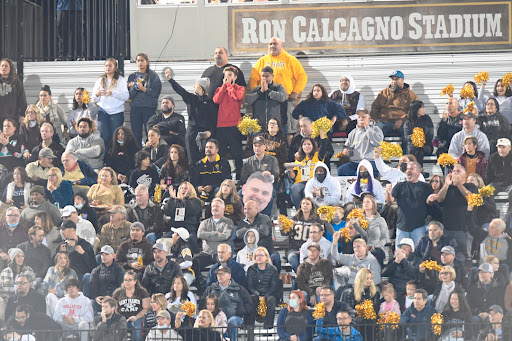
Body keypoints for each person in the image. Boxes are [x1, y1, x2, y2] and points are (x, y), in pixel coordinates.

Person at [249, 37, 308, 142]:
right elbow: (253, 78)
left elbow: (302, 76)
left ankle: (287, 153)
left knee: (288, 130)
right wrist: (257, 91)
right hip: (266, 101)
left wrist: (296, 91)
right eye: (270, 44)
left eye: (275, 44)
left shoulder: (290, 59)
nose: (272, 46)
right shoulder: (262, 61)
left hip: (286, 99)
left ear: (281, 46)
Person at [165, 68, 217, 165]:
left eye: (196, 84)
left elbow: (213, 119)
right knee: (192, 160)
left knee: (204, 159)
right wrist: (170, 79)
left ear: (201, 87)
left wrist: (210, 131)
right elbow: (180, 90)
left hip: (204, 135)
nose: (194, 86)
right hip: (192, 133)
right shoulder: (191, 98)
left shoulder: (210, 102)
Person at [201, 265, 253, 341]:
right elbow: (203, 302)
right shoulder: (211, 289)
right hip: (216, 317)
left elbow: (249, 304)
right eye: (218, 274)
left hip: (234, 317)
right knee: (217, 322)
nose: (220, 276)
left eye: (222, 273)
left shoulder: (239, 289)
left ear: (229, 275)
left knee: (231, 322)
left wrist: (238, 311)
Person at [370, 70, 418, 153]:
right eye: (392, 79)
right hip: (385, 122)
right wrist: (375, 118)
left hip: (402, 123)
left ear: (402, 80)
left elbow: (413, 111)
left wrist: (402, 120)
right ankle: (378, 158)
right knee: (376, 130)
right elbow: (374, 107)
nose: (393, 82)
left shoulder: (411, 95)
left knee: (408, 133)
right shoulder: (384, 93)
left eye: (396, 79)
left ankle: (406, 158)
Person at [436, 164, 478, 257]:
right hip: (447, 229)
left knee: (464, 257)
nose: (455, 173)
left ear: (464, 175)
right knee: (446, 257)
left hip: (463, 229)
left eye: (458, 171)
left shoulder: (470, 186)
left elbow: (472, 199)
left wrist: (459, 185)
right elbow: (439, 199)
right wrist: (446, 184)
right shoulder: (448, 188)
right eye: (454, 171)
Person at [213, 66, 245, 179]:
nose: (227, 77)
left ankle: (239, 178)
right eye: (226, 75)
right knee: (220, 154)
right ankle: (221, 177)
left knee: (237, 154)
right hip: (221, 126)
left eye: (230, 75)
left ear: (235, 77)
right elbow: (216, 100)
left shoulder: (239, 88)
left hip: (234, 126)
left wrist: (230, 86)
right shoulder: (219, 89)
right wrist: (224, 86)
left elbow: (237, 97)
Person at [391, 161, 432, 245]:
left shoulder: (425, 187)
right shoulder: (399, 186)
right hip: (402, 226)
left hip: (419, 226)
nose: (408, 171)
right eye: (407, 169)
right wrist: (388, 193)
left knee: (420, 253)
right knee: (399, 253)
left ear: (418, 172)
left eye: (411, 169)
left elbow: (430, 205)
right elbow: (390, 200)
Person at [287, 135, 333, 209]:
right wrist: (290, 171)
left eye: (309, 144)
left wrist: (321, 132)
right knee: (294, 189)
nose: (306, 146)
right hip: (300, 182)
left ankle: (311, 212)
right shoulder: (298, 159)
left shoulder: (318, 156)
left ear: (313, 146)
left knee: (306, 192)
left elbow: (324, 144)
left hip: (313, 182)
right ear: (301, 147)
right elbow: (294, 176)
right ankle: (300, 212)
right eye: (304, 144)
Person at [92, 58, 129, 147]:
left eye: (110, 66)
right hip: (103, 111)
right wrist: (98, 94)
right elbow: (94, 99)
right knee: (104, 136)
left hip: (117, 112)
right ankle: (106, 158)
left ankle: (115, 157)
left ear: (115, 68)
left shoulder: (121, 80)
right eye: (106, 66)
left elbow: (126, 96)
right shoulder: (100, 80)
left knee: (115, 136)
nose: (108, 68)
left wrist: (112, 93)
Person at [128, 53, 162, 147]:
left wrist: (144, 89)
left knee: (150, 133)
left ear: (147, 62)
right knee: (135, 133)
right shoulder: (132, 76)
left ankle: (150, 154)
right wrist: (133, 87)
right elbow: (130, 95)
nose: (140, 63)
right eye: (138, 61)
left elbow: (156, 93)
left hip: (148, 108)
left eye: (142, 60)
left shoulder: (153, 76)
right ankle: (138, 155)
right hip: (135, 108)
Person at [279, 197, 322, 272]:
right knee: (292, 258)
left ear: (312, 206)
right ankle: (301, 276)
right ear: (300, 206)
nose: (305, 205)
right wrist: (281, 228)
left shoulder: (317, 220)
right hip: (294, 249)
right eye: (303, 204)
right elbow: (286, 233)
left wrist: (304, 249)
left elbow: (320, 237)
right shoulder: (294, 219)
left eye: (307, 204)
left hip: (311, 249)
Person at [337, 108, 383, 176]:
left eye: (363, 117)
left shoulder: (376, 129)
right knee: (341, 170)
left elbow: (377, 143)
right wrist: (346, 151)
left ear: (369, 118)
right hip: (355, 162)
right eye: (359, 117)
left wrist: (367, 128)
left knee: (359, 173)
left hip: (371, 161)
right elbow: (348, 146)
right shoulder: (353, 132)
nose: (361, 119)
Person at [236, 200, 280, 271]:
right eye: (245, 209)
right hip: (248, 252)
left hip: (266, 250)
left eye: (249, 209)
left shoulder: (264, 218)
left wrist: (246, 229)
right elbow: (238, 234)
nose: (246, 211)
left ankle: (275, 278)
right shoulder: (242, 221)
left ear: (256, 208)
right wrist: (255, 229)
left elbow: (264, 232)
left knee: (276, 258)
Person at [194, 198, 234, 271]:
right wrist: (216, 233)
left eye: (217, 206)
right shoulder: (205, 222)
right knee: (192, 262)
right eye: (213, 206)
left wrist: (207, 236)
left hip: (220, 254)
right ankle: (199, 281)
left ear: (223, 209)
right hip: (206, 253)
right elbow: (200, 235)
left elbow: (224, 236)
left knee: (223, 269)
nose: (214, 208)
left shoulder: (228, 222)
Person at [162, 181, 202, 251]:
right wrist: (172, 198)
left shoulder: (196, 201)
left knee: (191, 239)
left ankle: (195, 259)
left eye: (185, 188)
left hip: (189, 230)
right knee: (163, 240)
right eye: (182, 188)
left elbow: (191, 211)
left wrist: (186, 199)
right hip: (175, 230)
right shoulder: (175, 201)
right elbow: (167, 212)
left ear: (190, 190)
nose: (183, 190)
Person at [350, 194, 389, 266]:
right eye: (364, 202)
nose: (365, 204)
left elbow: (385, 238)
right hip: (361, 249)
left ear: (373, 204)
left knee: (376, 253)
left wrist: (376, 246)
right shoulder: (358, 220)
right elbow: (356, 237)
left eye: (368, 202)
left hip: (376, 249)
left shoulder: (380, 220)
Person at [247, 247, 280, 328]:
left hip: (269, 294)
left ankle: (268, 327)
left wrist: (265, 295)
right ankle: (249, 327)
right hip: (255, 294)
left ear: (266, 257)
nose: (259, 257)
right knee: (251, 299)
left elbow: (274, 286)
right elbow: (250, 286)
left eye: (261, 255)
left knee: (271, 300)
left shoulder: (273, 269)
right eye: (257, 255)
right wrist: (258, 295)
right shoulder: (251, 269)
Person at [113, 270, 151, 341]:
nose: (127, 282)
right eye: (125, 280)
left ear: (135, 281)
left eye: (130, 280)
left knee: (137, 327)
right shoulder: (118, 292)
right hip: (122, 319)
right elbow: (114, 308)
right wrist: (120, 318)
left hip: (137, 318)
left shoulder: (142, 292)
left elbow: (147, 308)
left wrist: (136, 317)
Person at [382, 238, 420, 307]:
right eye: (402, 247)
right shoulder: (395, 260)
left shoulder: (416, 260)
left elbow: (414, 273)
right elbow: (384, 273)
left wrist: (403, 260)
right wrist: (395, 262)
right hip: (393, 286)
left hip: (407, 287)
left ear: (411, 249)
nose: (403, 249)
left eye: (406, 247)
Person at [88, 245, 125, 313]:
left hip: (114, 300)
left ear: (113, 255)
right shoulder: (96, 270)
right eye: (102, 254)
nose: (103, 256)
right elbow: (92, 285)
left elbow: (121, 286)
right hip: (100, 300)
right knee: (91, 303)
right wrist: (96, 297)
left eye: (106, 254)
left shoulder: (119, 270)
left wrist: (112, 297)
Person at [42, 251, 78, 317]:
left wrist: (57, 292)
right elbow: (45, 284)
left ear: (67, 260)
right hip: (51, 299)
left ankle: (54, 321)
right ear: (57, 260)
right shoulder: (51, 270)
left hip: (66, 301)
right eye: (60, 258)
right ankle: (53, 321)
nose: (63, 260)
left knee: (50, 297)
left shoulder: (72, 273)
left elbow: (75, 291)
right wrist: (46, 290)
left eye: (65, 258)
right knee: (49, 297)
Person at [404, 100, 434, 167]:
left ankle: (417, 170)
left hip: (426, 145)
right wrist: (414, 137)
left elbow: (430, 133)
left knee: (418, 151)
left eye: (424, 107)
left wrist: (421, 138)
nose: (424, 109)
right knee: (417, 151)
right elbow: (406, 136)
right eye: (422, 108)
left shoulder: (427, 119)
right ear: (416, 109)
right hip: (413, 146)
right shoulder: (408, 122)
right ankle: (419, 171)